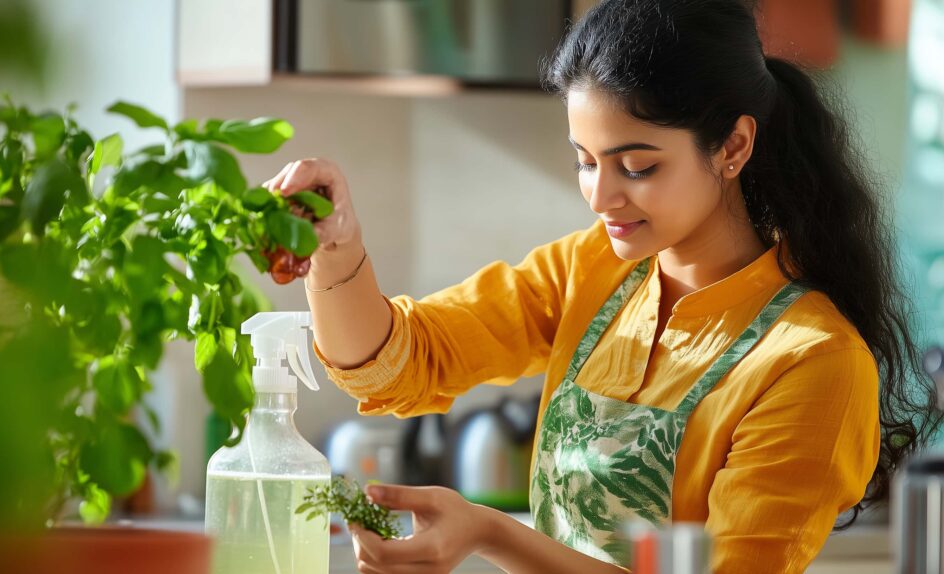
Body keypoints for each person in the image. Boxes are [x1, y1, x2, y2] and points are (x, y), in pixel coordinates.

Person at [263, 1, 940, 572]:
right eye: (584, 162)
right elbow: (398, 362)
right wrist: (335, 248)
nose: (600, 196)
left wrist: (495, 533)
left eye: (637, 166)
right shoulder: (593, 271)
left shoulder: (813, 362)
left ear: (733, 147)